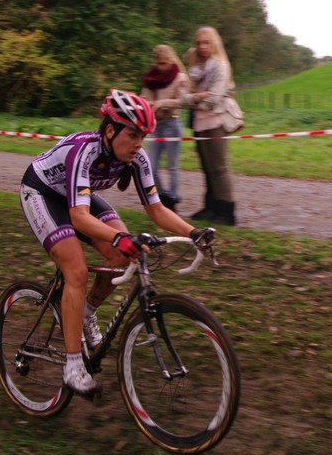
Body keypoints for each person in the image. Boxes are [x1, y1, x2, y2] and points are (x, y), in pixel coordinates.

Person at [19, 89, 215, 396]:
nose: (138, 144)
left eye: (143, 136)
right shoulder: (84, 151)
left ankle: (85, 312)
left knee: (124, 255)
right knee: (76, 271)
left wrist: (193, 232)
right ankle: (73, 367)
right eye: (133, 135)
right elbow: (79, 216)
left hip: (76, 199)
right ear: (110, 131)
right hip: (42, 194)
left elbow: (156, 209)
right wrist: (119, 237)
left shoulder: (136, 158)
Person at [155, 26, 238, 225]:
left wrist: (194, 99)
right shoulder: (196, 69)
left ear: (214, 43)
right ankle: (210, 207)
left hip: (216, 121)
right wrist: (198, 97)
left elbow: (214, 100)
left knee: (219, 167)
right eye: (199, 43)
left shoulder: (220, 66)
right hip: (199, 122)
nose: (202, 46)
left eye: (206, 42)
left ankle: (227, 211)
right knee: (207, 167)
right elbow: (186, 97)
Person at [140, 44, 191, 212]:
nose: (161, 67)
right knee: (151, 166)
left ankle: (173, 198)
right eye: (158, 63)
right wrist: (145, 103)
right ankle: (163, 196)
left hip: (171, 124)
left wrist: (162, 103)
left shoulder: (180, 78)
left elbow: (182, 102)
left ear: (171, 60)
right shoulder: (151, 78)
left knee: (172, 166)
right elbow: (143, 97)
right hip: (154, 125)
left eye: (164, 63)